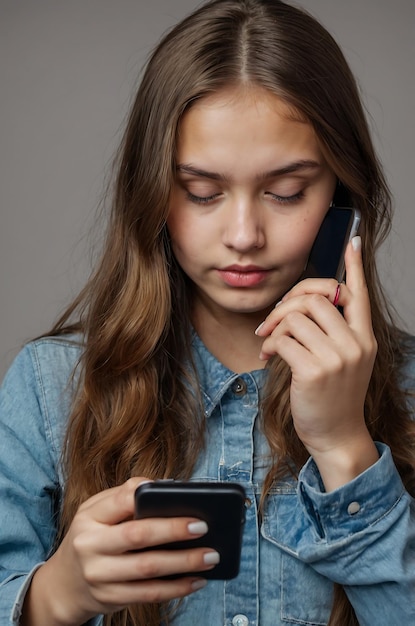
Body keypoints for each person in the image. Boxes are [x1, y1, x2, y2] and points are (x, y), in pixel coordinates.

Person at [0, 0, 414, 624]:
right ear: (152, 192)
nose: (243, 234)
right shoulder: (49, 386)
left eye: (286, 192)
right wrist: (54, 596)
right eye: (201, 192)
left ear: (342, 197)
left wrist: (343, 446)